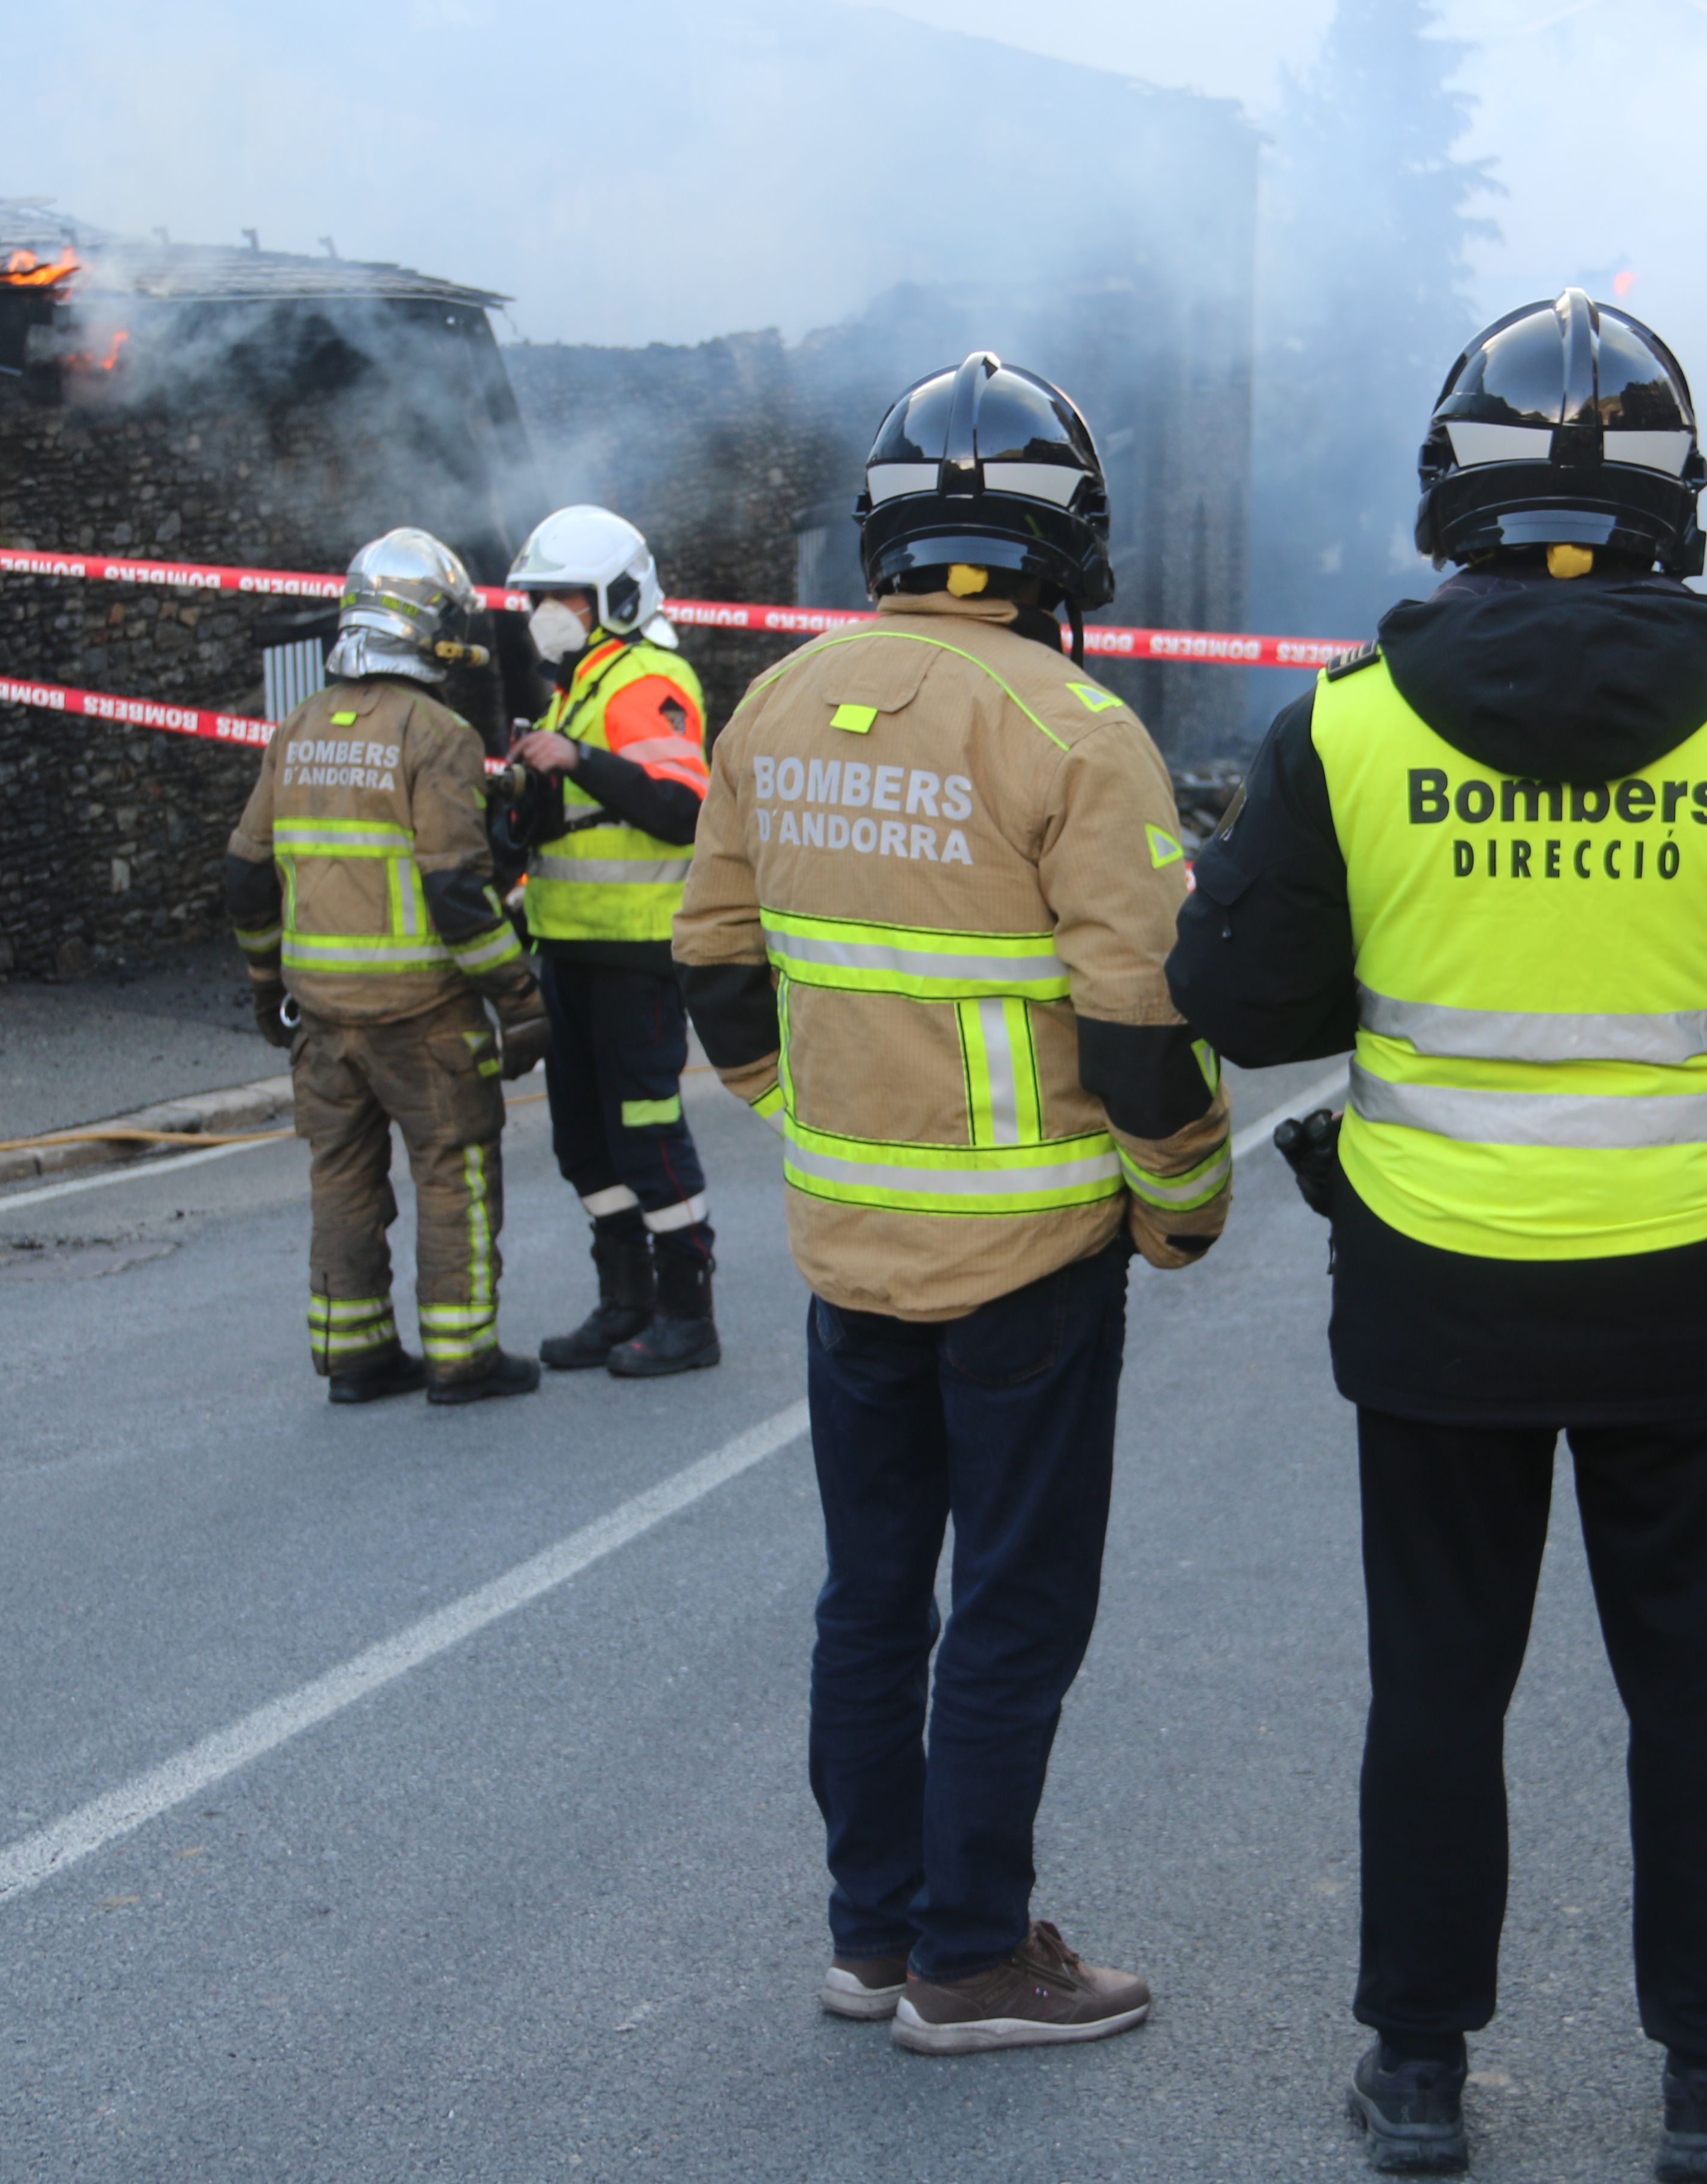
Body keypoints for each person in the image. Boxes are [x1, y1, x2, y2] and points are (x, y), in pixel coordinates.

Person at [1171, 289, 1707, 2179]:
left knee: (1438, 1688)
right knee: (1695, 1691)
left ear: (1455, 489)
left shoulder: (1349, 732)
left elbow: (1244, 996)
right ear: (1680, 498)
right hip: (1694, 1302)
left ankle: (1423, 2070)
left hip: (1437, 1299)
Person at [674, 353, 1232, 2056]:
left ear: (883, 537)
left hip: (854, 1256)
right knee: (1010, 1600)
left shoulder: (774, 706)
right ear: (1072, 547)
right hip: (1031, 1262)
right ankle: (975, 1959)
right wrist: (1184, 1202)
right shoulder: (1074, 731)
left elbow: (711, 960)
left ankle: (874, 1934)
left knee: (871, 1594)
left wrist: (809, 1113)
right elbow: (1140, 1022)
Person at [222, 528, 549, 1405]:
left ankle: (354, 1353)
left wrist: (267, 987)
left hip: (323, 1020)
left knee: (342, 1177)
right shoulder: (433, 733)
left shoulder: (296, 729)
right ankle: (462, 1356)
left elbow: (245, 878)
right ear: (428, 627)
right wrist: (519, 998)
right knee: (453, 1171)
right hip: (424, 1019)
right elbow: (456, 893)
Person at [503, 505, 722, 1378]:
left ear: (613, 597)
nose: (542, 612)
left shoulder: (646, 679)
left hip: (635, 957)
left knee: (647, 1132)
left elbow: (680, 808)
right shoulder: (576, 685)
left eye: (560, 595)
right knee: (583, 1141)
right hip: (569, 950)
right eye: (538, 597)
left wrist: (576, 761)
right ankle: (625, 1302)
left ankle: (686, 1313)